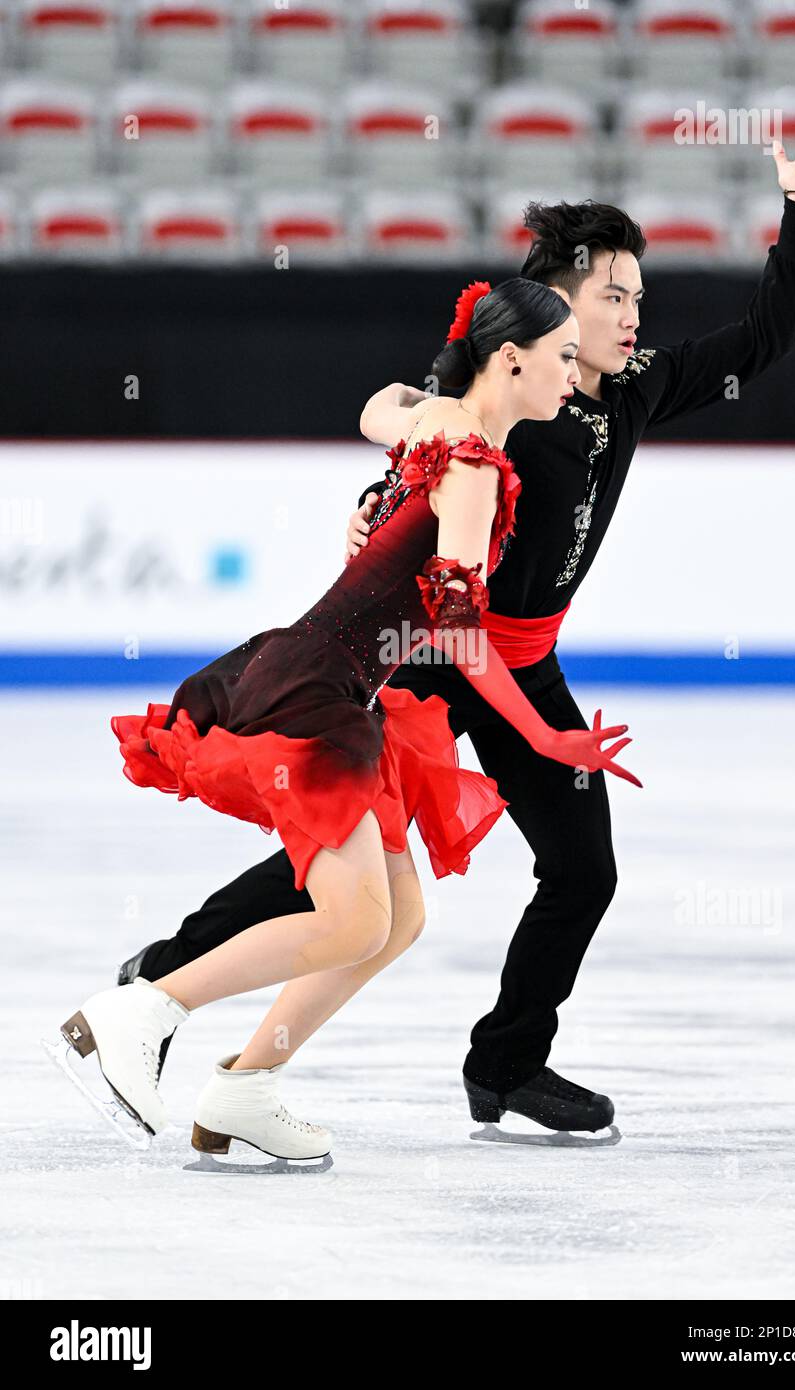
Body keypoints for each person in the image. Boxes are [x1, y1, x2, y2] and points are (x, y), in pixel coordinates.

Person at [116, 108, 795, 1138]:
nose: (632, 317)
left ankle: (504, 1064)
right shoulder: (504, 385)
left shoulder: (632, 391)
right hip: (435, 656)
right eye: (611, 297)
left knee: (581, 866)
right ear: (554, 306)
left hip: (522, 662)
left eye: (639, 297)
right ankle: (170, 973)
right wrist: (374, 493)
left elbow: (765, 336)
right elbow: (418, 440)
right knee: (344, 852)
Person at [56, 278, 640, 1162]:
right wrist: (547, 736)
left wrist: (376, 516)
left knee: (397, 917)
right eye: (562, 357)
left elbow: (381, 414)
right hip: (320, 693)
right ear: (512, 360)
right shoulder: (476, 467)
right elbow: (458, 632)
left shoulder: (443, 424)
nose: (574, 374)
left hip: (341, 684)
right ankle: (142, 1009)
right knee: (356, 920)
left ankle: (246, 1086)